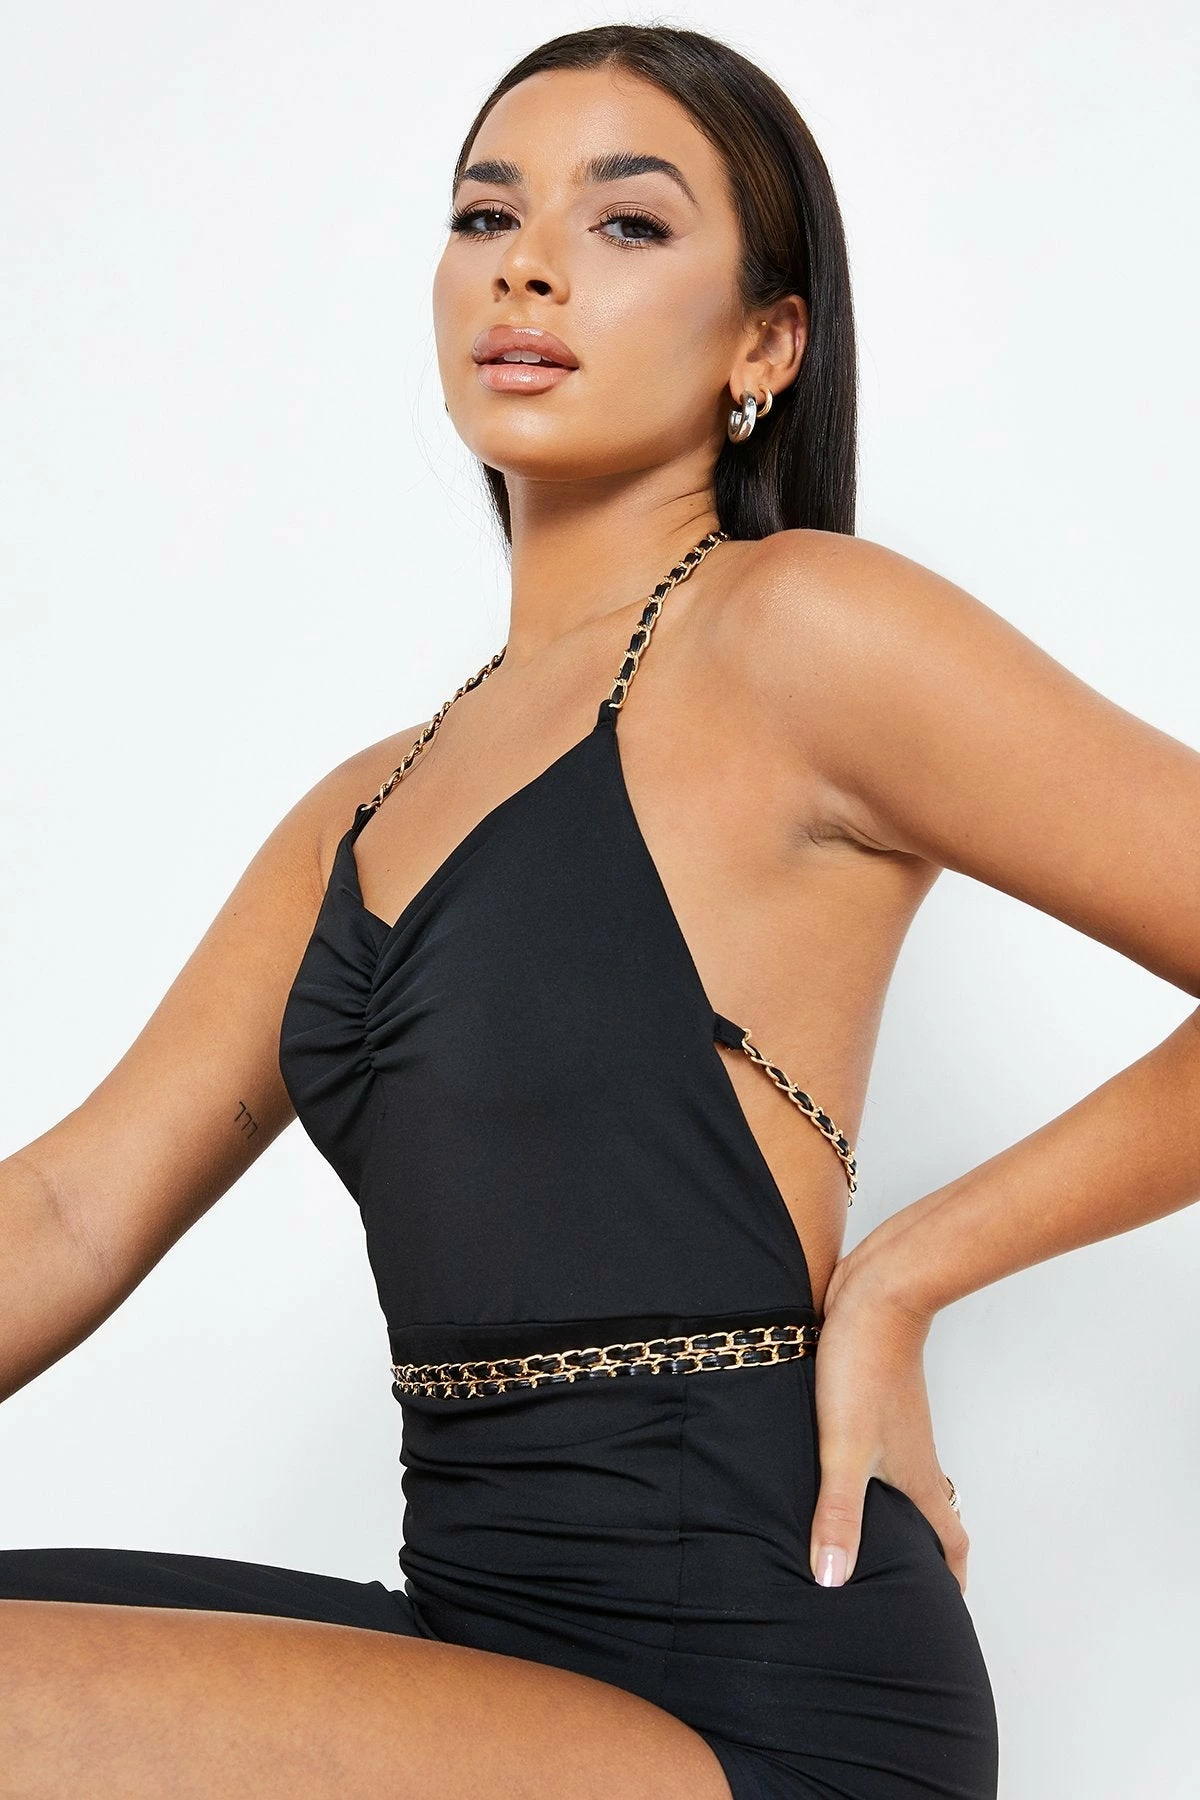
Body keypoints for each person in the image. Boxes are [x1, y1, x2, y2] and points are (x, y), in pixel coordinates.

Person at [2, 21, 1198, 1800]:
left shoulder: (803, 634)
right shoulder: (362, 806)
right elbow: (71, 1208)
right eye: (486, 214)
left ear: (768, 343)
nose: (531, 263)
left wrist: (906, 1275)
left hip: (765, 1697)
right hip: (483, 1651)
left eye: (627, 222)